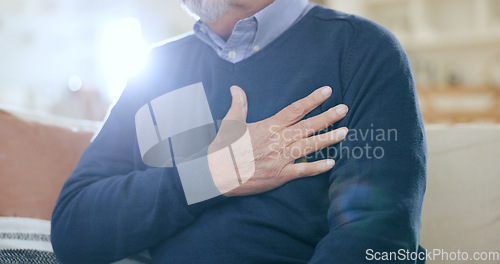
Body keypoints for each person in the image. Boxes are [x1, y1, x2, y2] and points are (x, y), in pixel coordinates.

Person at [51, 0, 427, 263]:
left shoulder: (361, 51)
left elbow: (377, 238)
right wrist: (212, 175)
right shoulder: (155, 70)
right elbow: (74, 231)